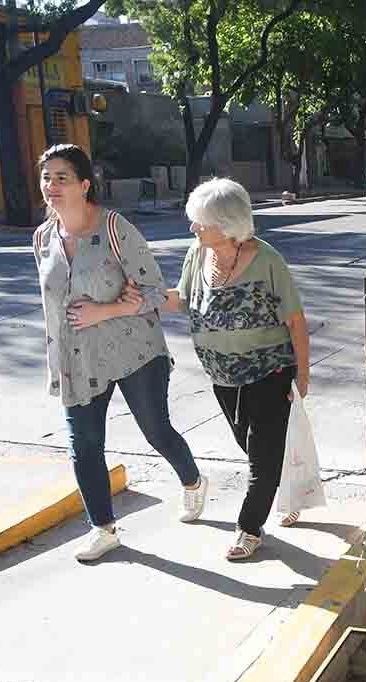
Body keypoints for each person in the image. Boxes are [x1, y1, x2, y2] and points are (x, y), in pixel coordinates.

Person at [32, 144, 207, 563]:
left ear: (84, 185)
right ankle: (103, 529)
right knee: (84, 444)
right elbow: (52, 305)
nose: (52, 186)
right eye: (46, 178)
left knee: (156, 431)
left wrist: (104, 311)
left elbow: (157, 293)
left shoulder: (115, 228)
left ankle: (193, 481)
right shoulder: (42, 238)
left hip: (135, 351)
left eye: (62, 178)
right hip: (79, 357)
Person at [126, 178, 310, 561]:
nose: (193, 227)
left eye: (201, 222)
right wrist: (144, 299)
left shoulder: (267, 260)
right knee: (251, 446)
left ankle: (249, 528)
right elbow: (181, 299)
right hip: (222, 376)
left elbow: (295, 320)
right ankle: (289, 489)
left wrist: (302, 376)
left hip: (269, 371)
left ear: (227, 225)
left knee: (261, 457)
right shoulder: (198, 254)